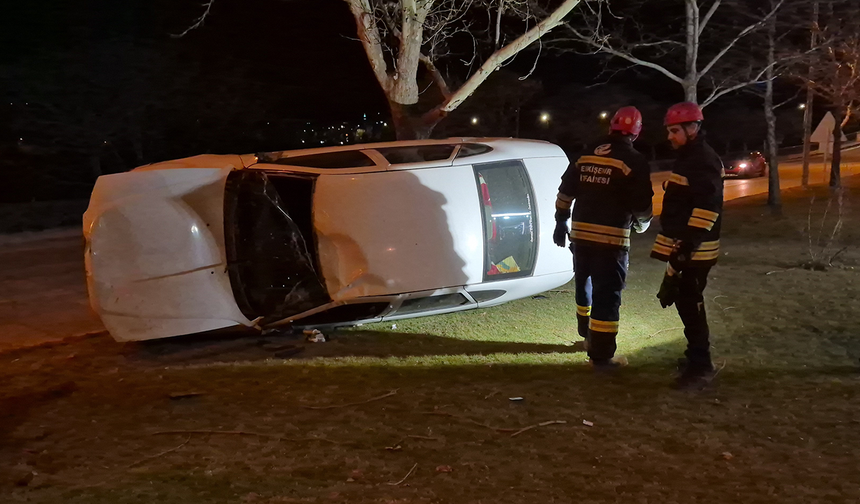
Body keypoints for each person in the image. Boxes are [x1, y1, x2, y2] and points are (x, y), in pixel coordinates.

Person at [554, 106, 654, 370]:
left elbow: (565, 191)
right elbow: (642, 206)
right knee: (607, 295)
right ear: (636, 132)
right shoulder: (634, 161)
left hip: (581, 237)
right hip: (610, 241)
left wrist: (560, 221)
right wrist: (642, 226)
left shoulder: (586, 155)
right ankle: (601, 357)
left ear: (611, 127)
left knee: (584, 285)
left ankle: (585, 336)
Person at [651, 102, 724, 389]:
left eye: (675, 131)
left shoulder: (701, 160)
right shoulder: (690, 156)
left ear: (693, 128)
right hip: (688, 246)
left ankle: (701, 366)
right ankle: (694, 357)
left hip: (696, 249)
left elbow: (708, 207)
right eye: (669, 131)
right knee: (684, 301)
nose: (670, 137)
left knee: (690, 304)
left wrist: (686, 248)